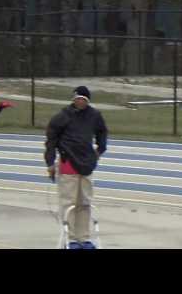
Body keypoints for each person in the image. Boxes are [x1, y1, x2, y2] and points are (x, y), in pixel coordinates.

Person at [44, 86, 108, 249]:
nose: (80, 101)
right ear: (73, 99)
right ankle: (71, 239)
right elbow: (51, 139)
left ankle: (84, 238)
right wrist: (50, 162)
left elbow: (102, 132)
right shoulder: (63, 116)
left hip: (86, 163)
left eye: (83, 99)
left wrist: (100, 149)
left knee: (85, 202)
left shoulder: (94, 115)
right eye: (77, 98)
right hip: (68, 163)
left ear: (87, 101)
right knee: (69, 202)